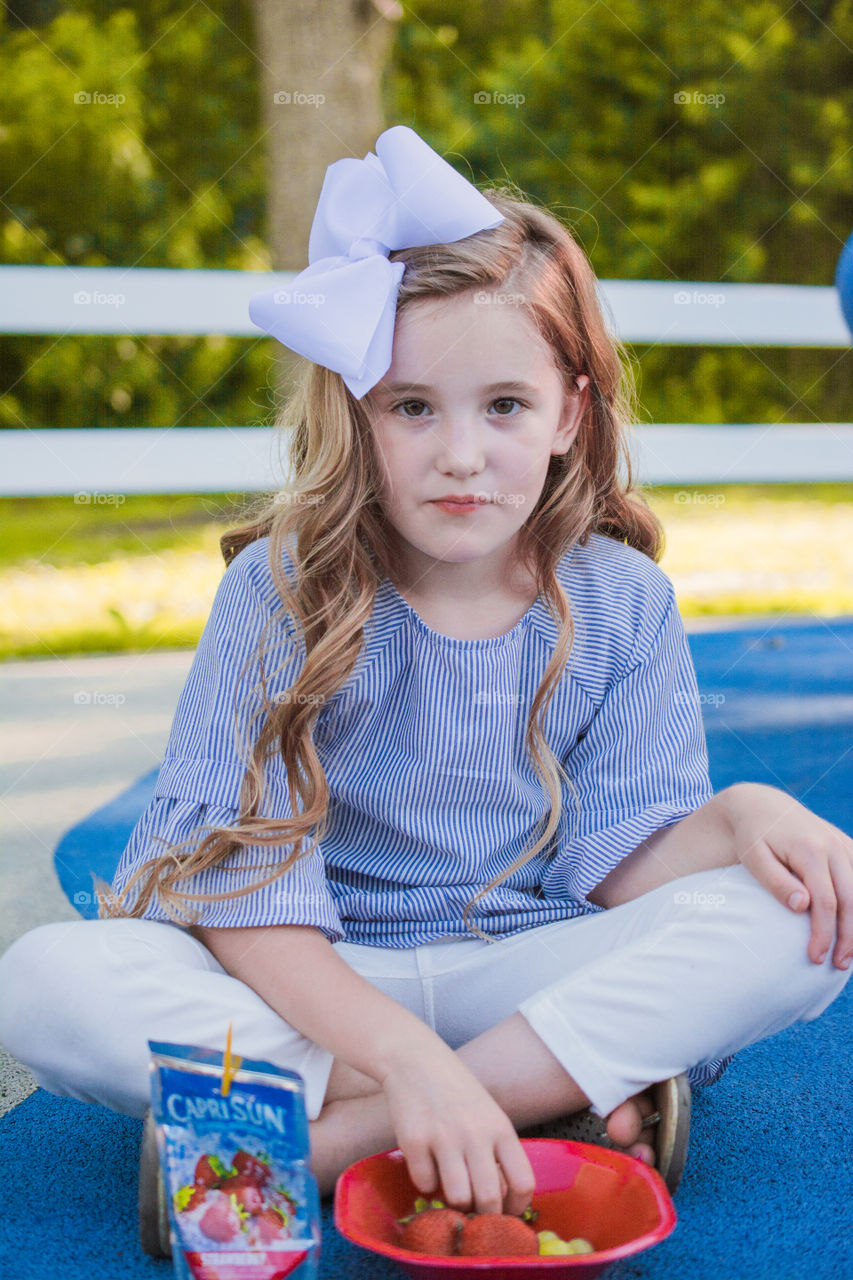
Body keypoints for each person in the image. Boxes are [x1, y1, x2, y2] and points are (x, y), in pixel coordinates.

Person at [0, 126, 850, 1218]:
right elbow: (239, 896)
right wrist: (405, 1053)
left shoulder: (623, 600)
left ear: (568, 414)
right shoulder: (280, 590)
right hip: (317, 981)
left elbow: (625, 861)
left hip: (529, 960)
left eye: (503, 404)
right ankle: (537, 1103)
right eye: (413, 407)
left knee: (796, 921)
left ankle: (311, 1147)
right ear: (358, 413)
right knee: (45, 977)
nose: (459, 453)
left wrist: (744, 815)